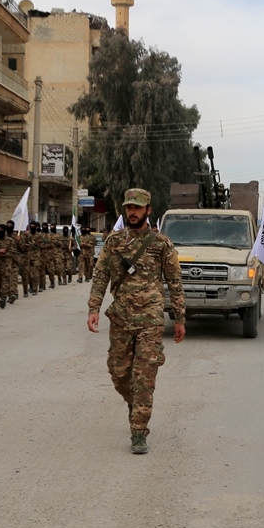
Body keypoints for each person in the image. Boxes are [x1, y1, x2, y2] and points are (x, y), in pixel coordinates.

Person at [87, 188, 186, 455]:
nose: (133, 212)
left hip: (150, 320)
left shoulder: (160, 244)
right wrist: (94, 307)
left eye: (138, 207)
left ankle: (139, 431)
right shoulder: (113, 242)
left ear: (148, 210)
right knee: (119, 374)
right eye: (129, 207)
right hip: (120, 318)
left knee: (144, 377)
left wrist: (179, 317)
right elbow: (100, 276)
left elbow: (174, 282)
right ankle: (134, 405)